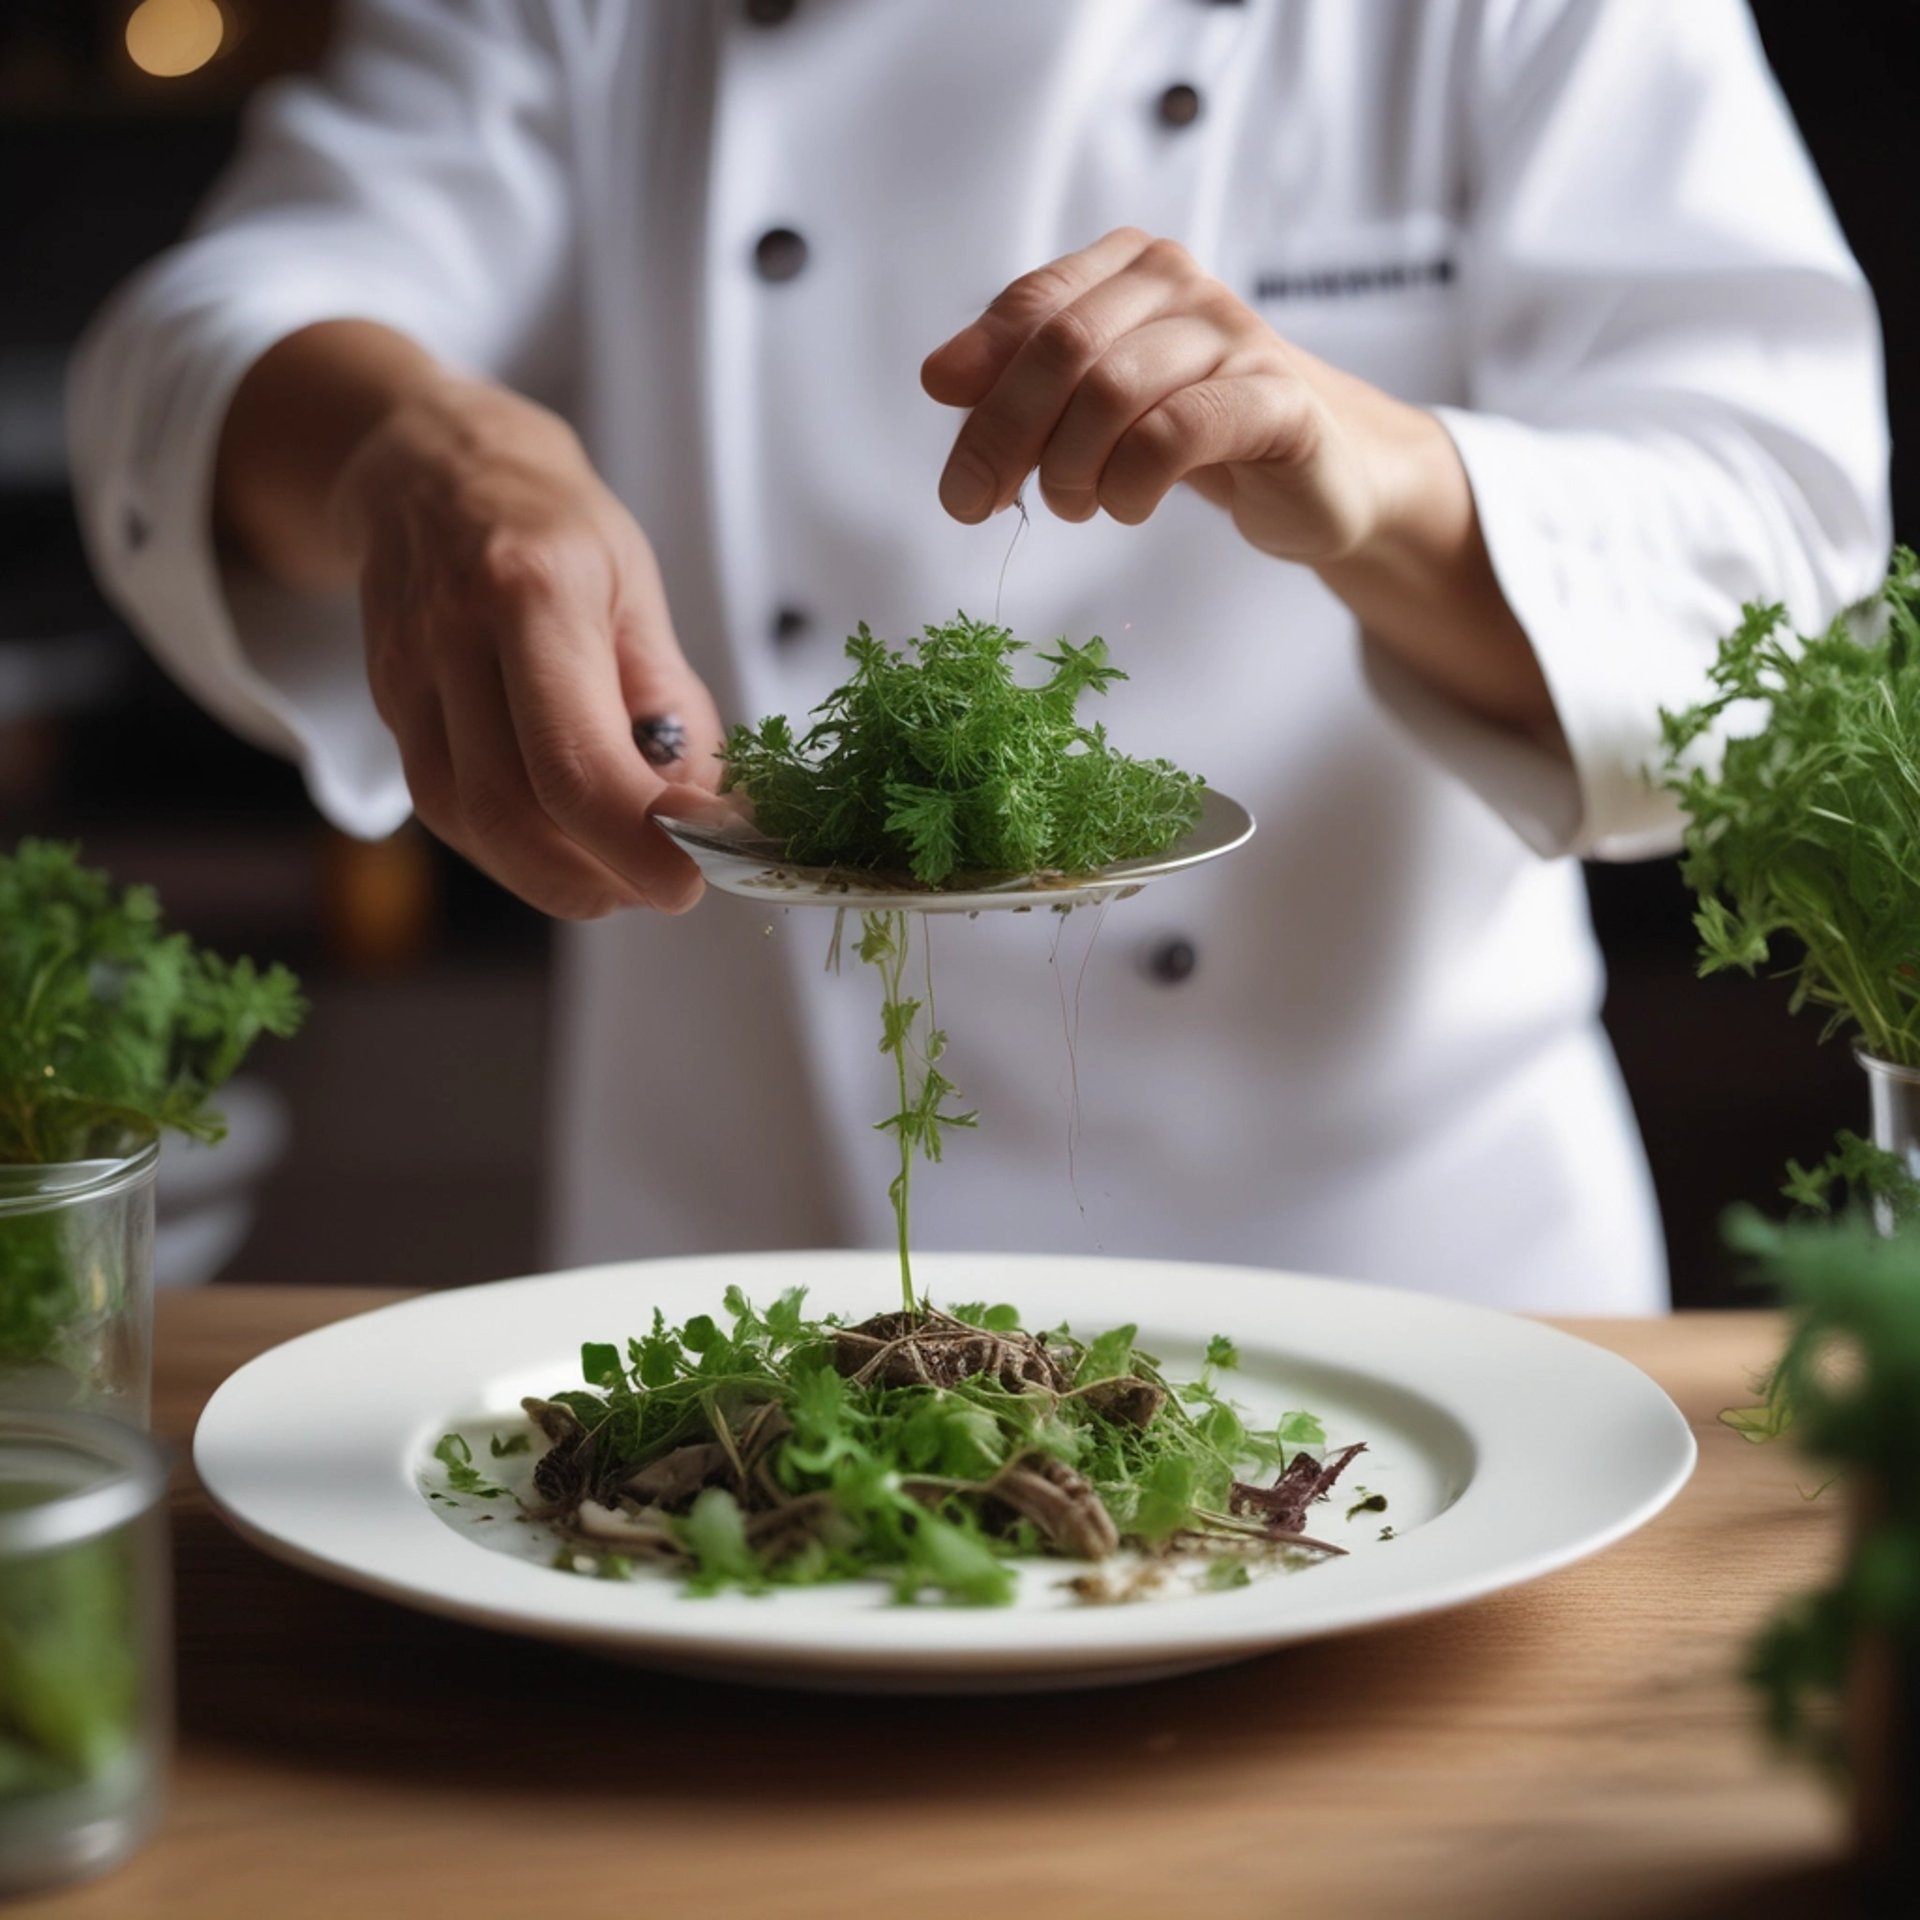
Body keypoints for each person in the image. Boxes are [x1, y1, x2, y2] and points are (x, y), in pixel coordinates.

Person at [70, 0, 1888, 1311]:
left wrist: (1375, 470)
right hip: (749, 1298)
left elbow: (1781, 563)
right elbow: (203, 334)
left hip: (1419, 1305)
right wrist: (416, 454)